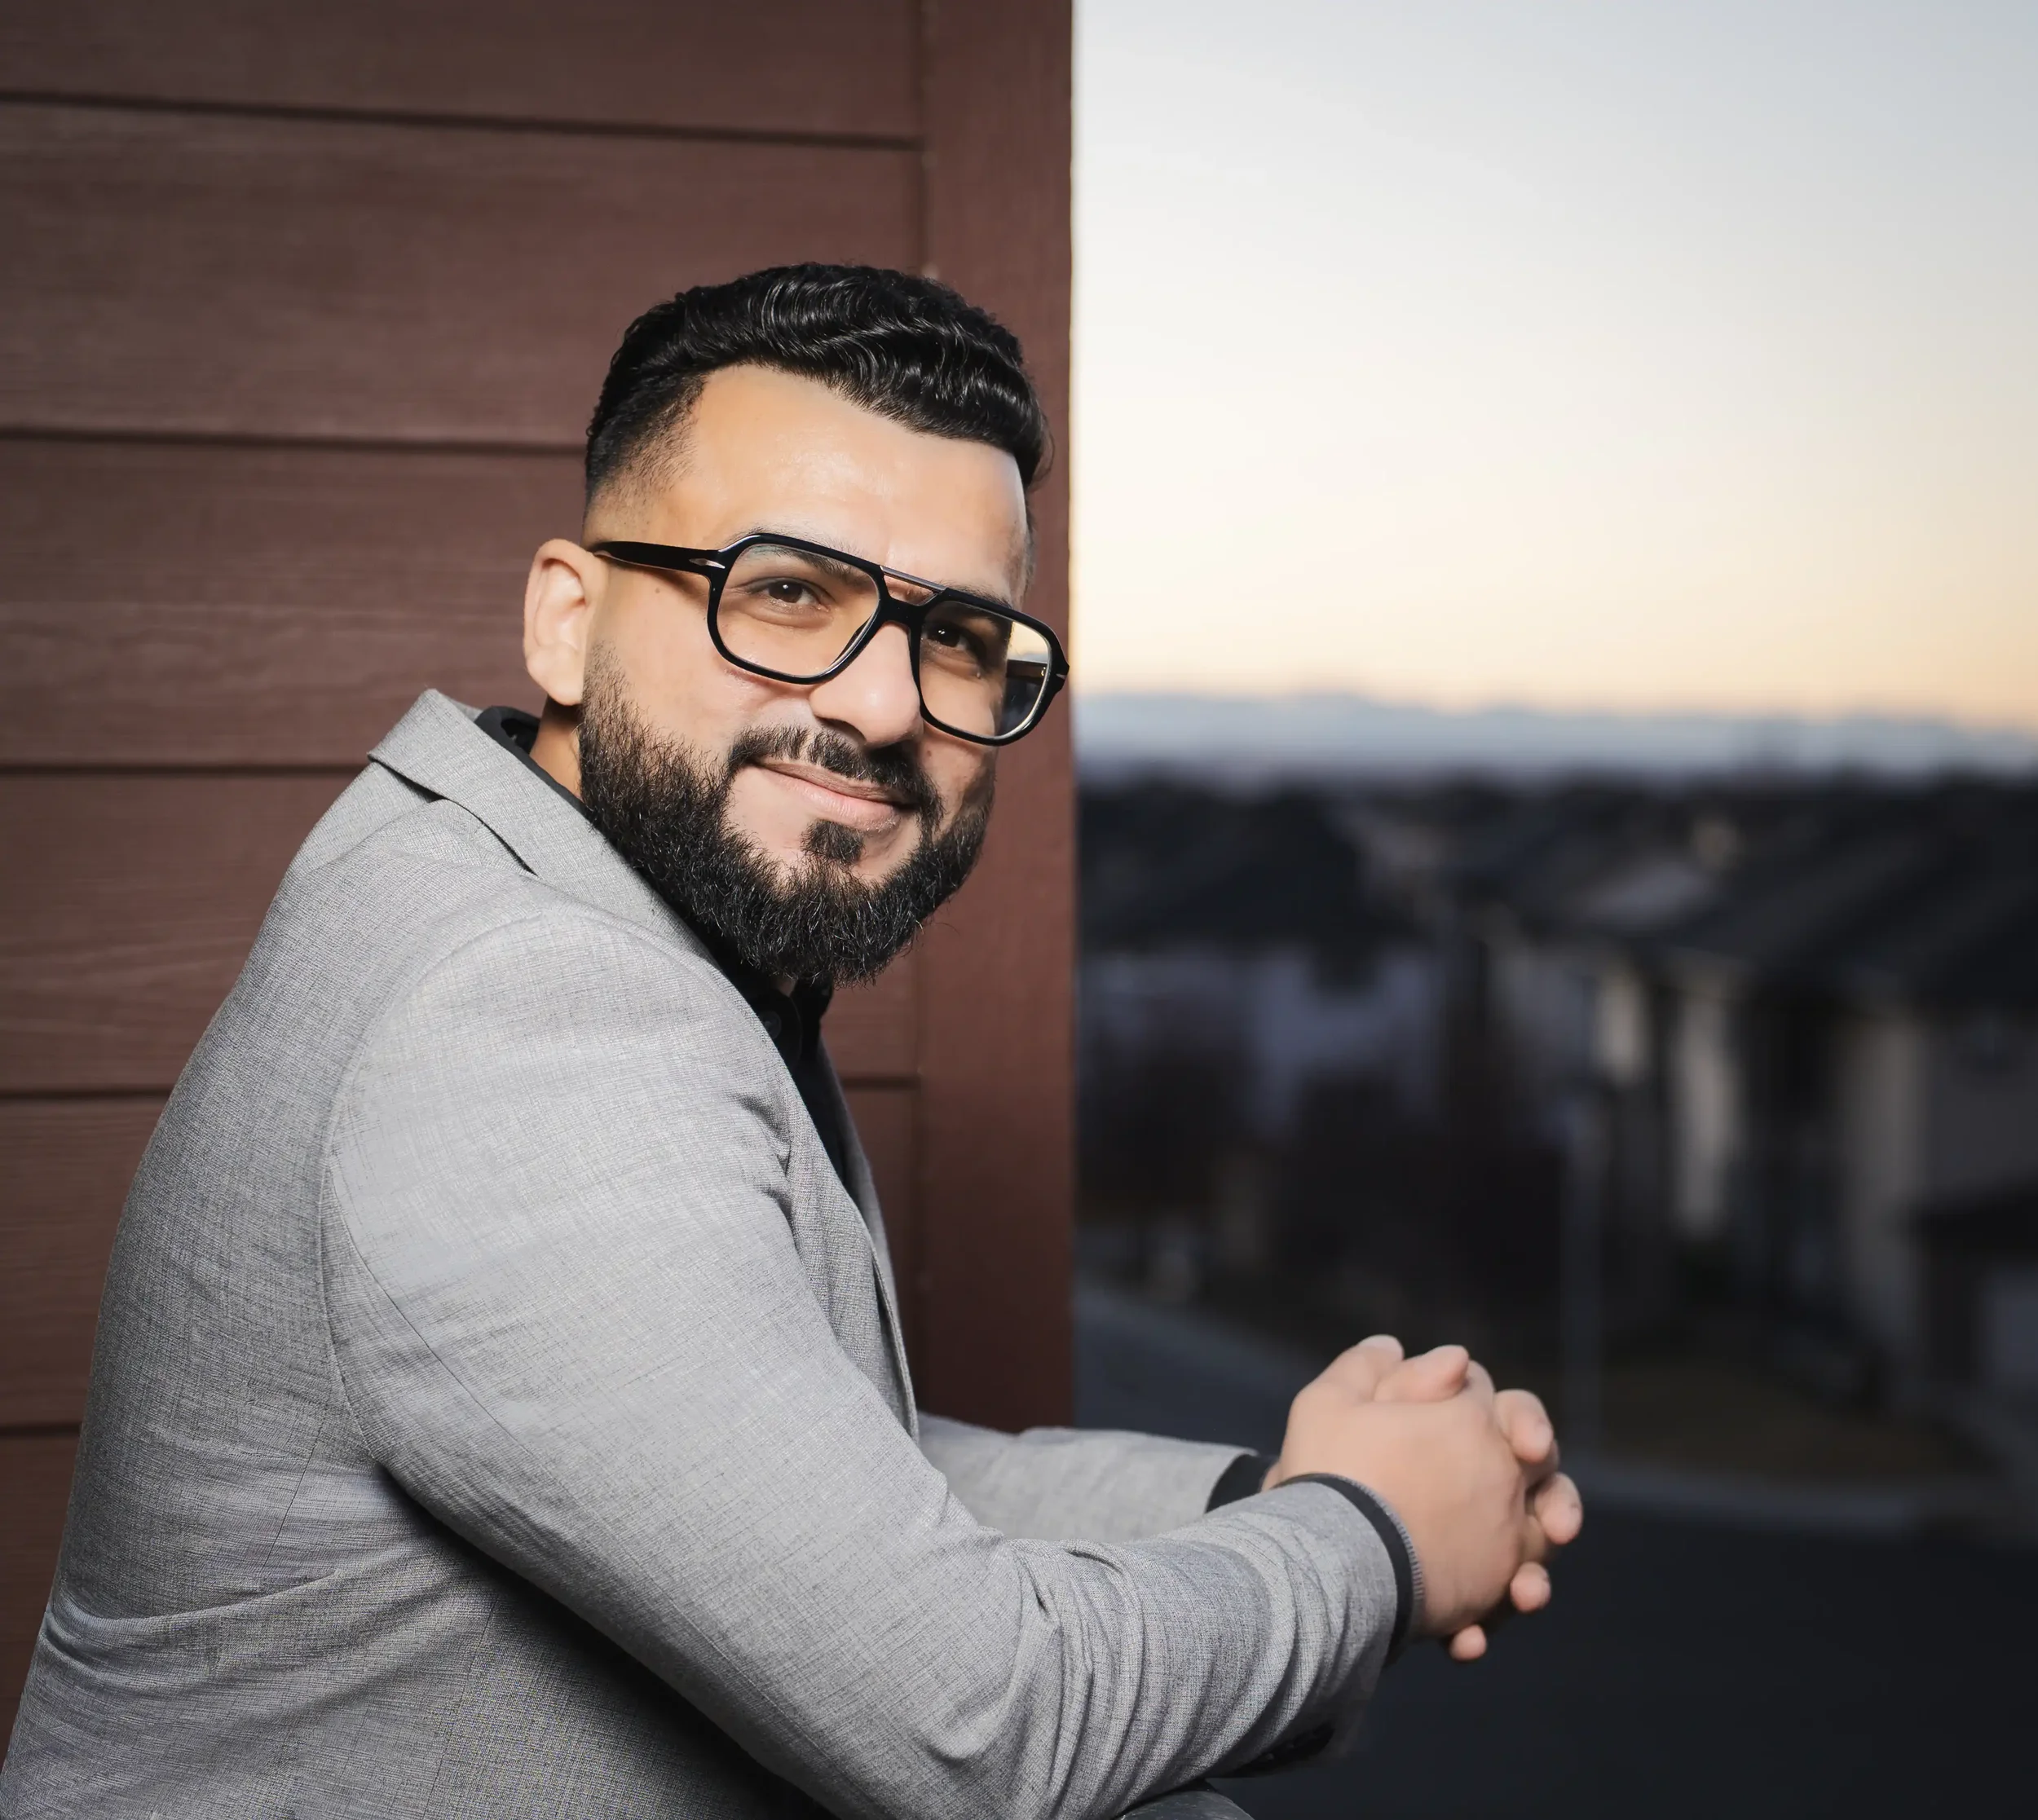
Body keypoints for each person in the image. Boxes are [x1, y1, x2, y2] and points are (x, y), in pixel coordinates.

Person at [0, 265, 1580, 1818]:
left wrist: (1266, 1499)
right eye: (786, 592)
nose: (886, 705)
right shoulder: (528, 1016)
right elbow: (977, 1728)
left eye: (959, 635)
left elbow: (807, 1480)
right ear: (566, 620)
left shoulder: (588, 903)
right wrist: (1364, 1540)